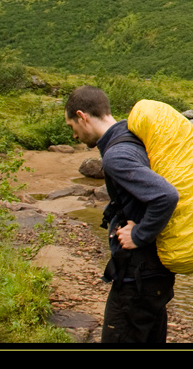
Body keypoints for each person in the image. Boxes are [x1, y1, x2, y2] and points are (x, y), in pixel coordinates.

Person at [64, 85, 179, 344]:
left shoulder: (116, 154)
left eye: (72, 127)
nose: (74, 136)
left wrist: (139, 234)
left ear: (83, 116)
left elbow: (166, 195)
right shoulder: (130, 135)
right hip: (153, 274)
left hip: (137, 279)